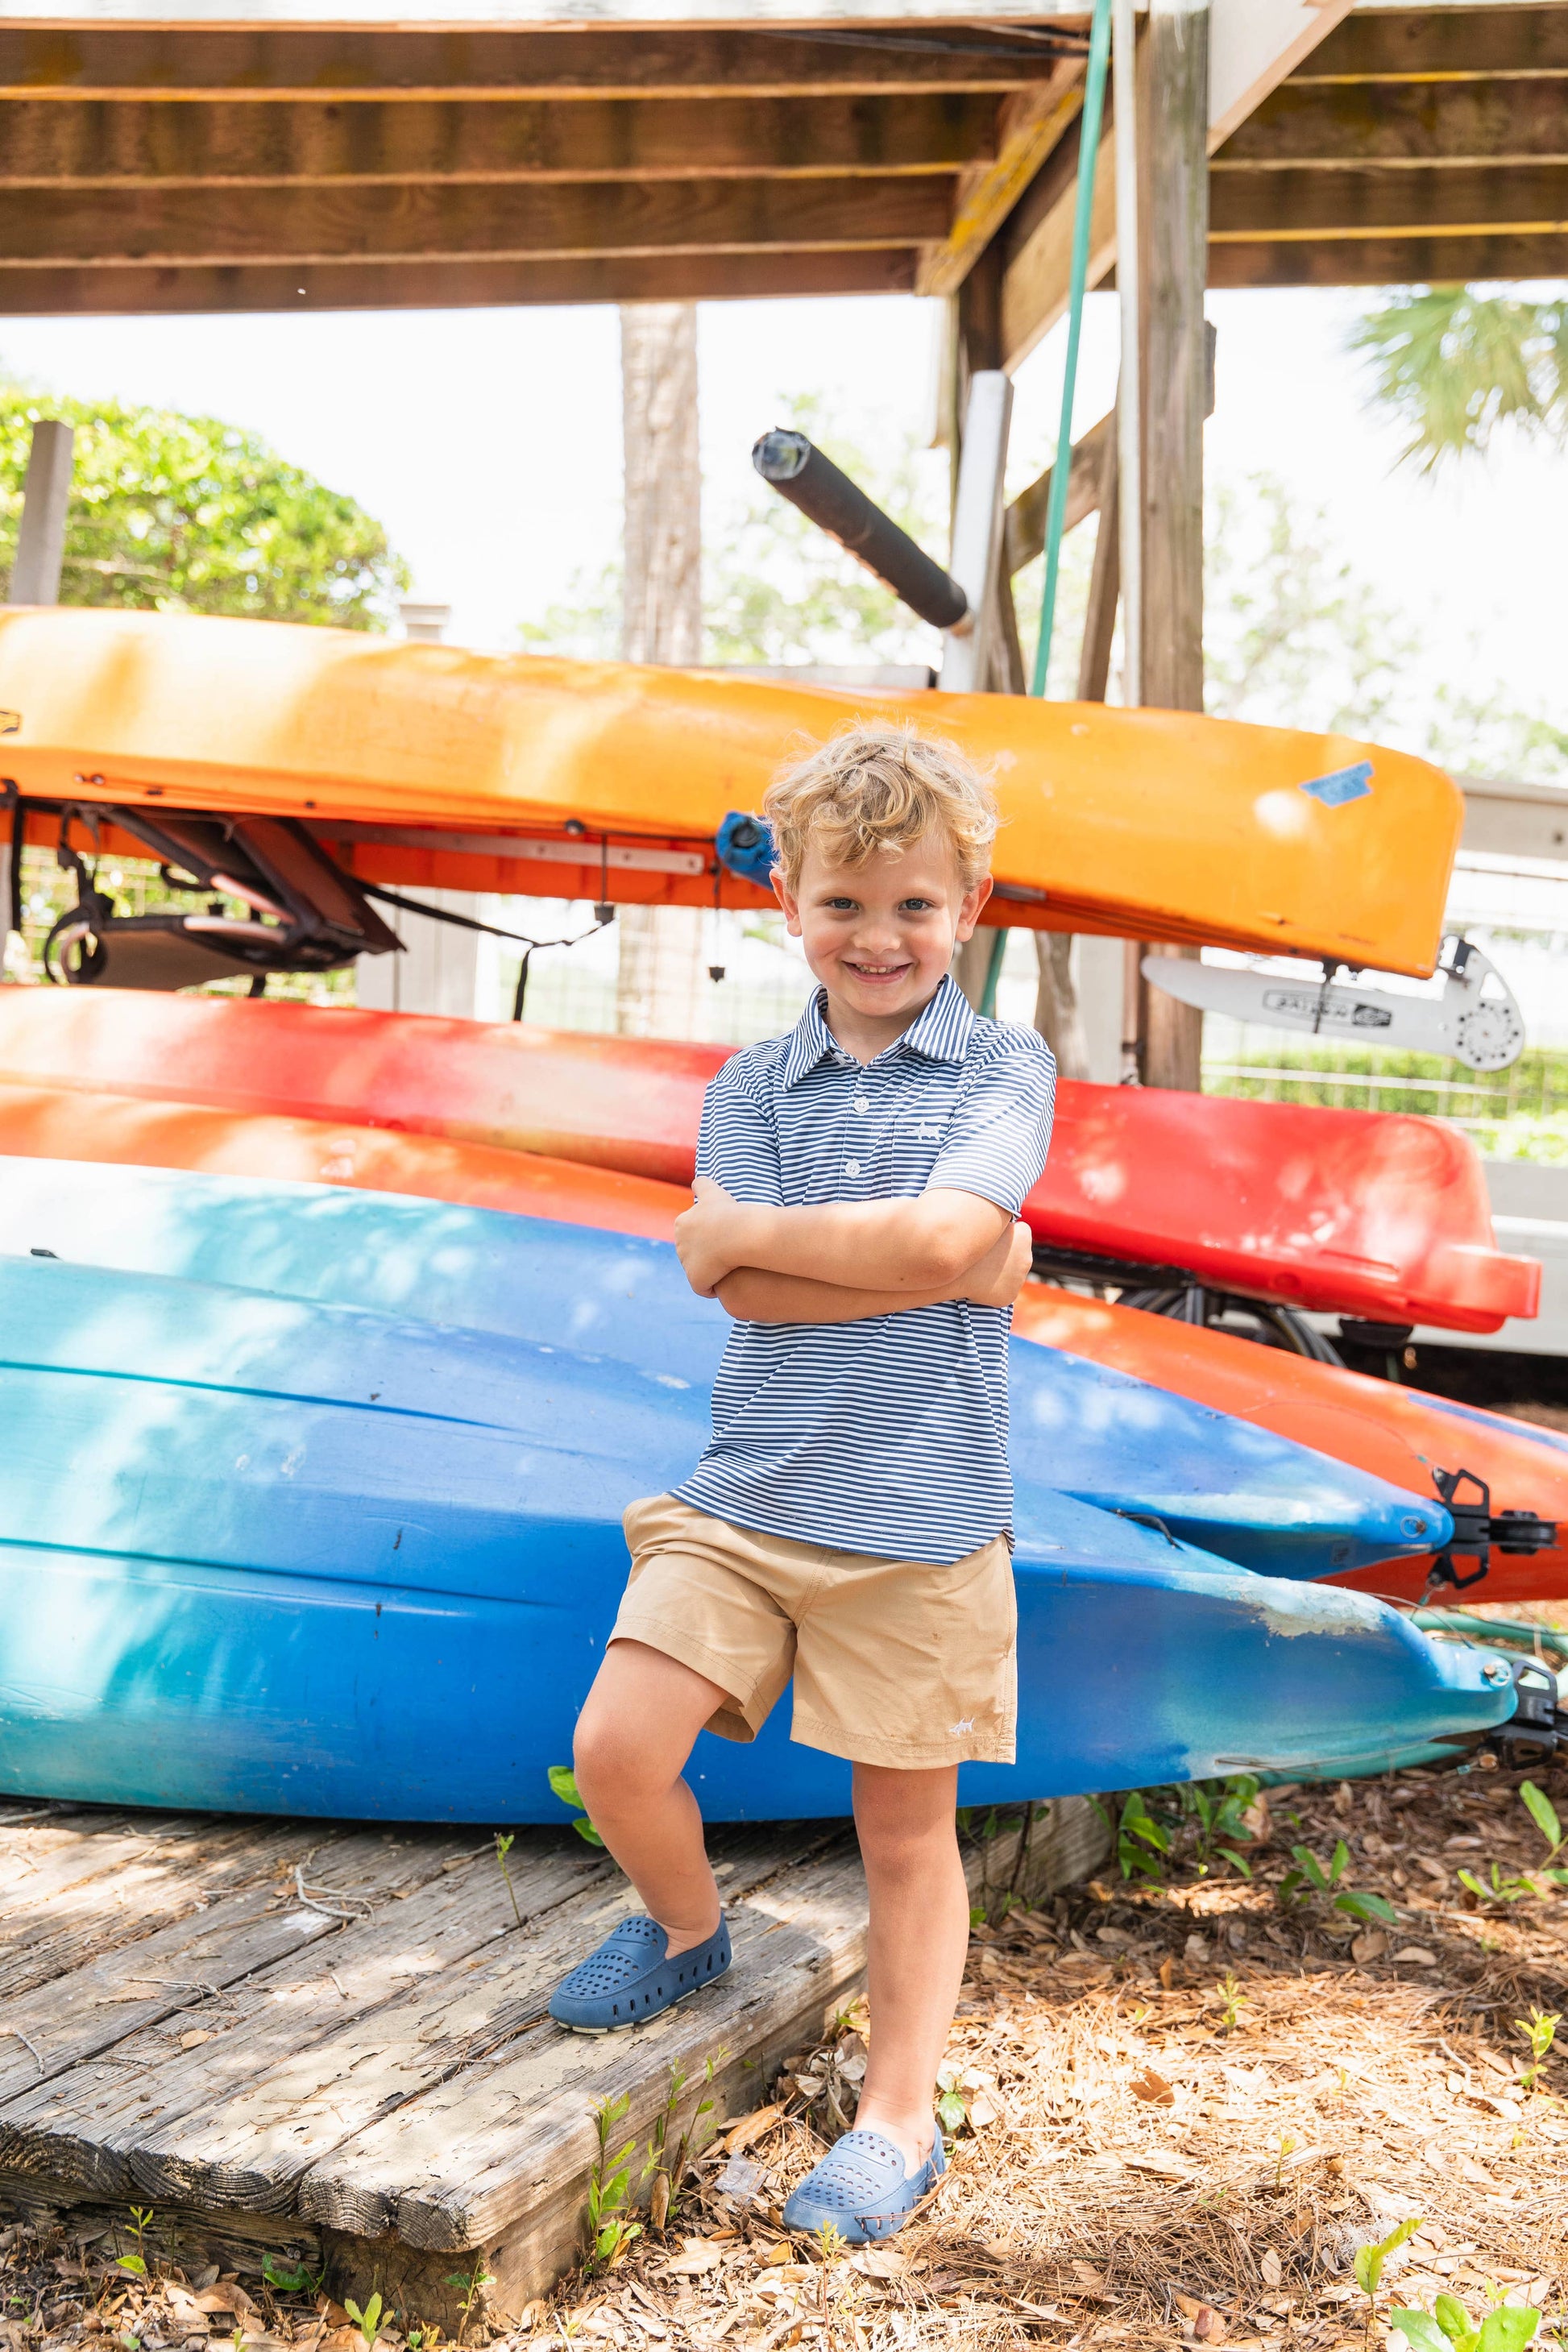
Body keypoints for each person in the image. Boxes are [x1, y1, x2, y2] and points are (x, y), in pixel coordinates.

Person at [549, 722, 1056, 2244]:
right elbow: (749, 1293)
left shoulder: (1005, 1065)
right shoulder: (756, 1082)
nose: (879, 935)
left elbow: (923, 1242)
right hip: (746, 1499)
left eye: (913, 903)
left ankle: (899, 2118)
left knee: (902, 1835)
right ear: (789, 907)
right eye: (844, 902)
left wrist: (847, 1245)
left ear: (966, 906)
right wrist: (946, 1267)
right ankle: (691, 1928)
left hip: (917, 1526)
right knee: (618, 1746)